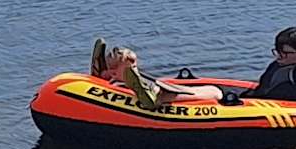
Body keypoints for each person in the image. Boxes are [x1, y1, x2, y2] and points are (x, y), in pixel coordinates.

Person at [91, 39, 222, 108]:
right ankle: (149, 95)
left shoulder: (114, 82)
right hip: (159, 92)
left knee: (151, 85)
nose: (136, 68)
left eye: (134, 67)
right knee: (216, 92)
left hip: (133, 83)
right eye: (134, 67)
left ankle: (103, 72)